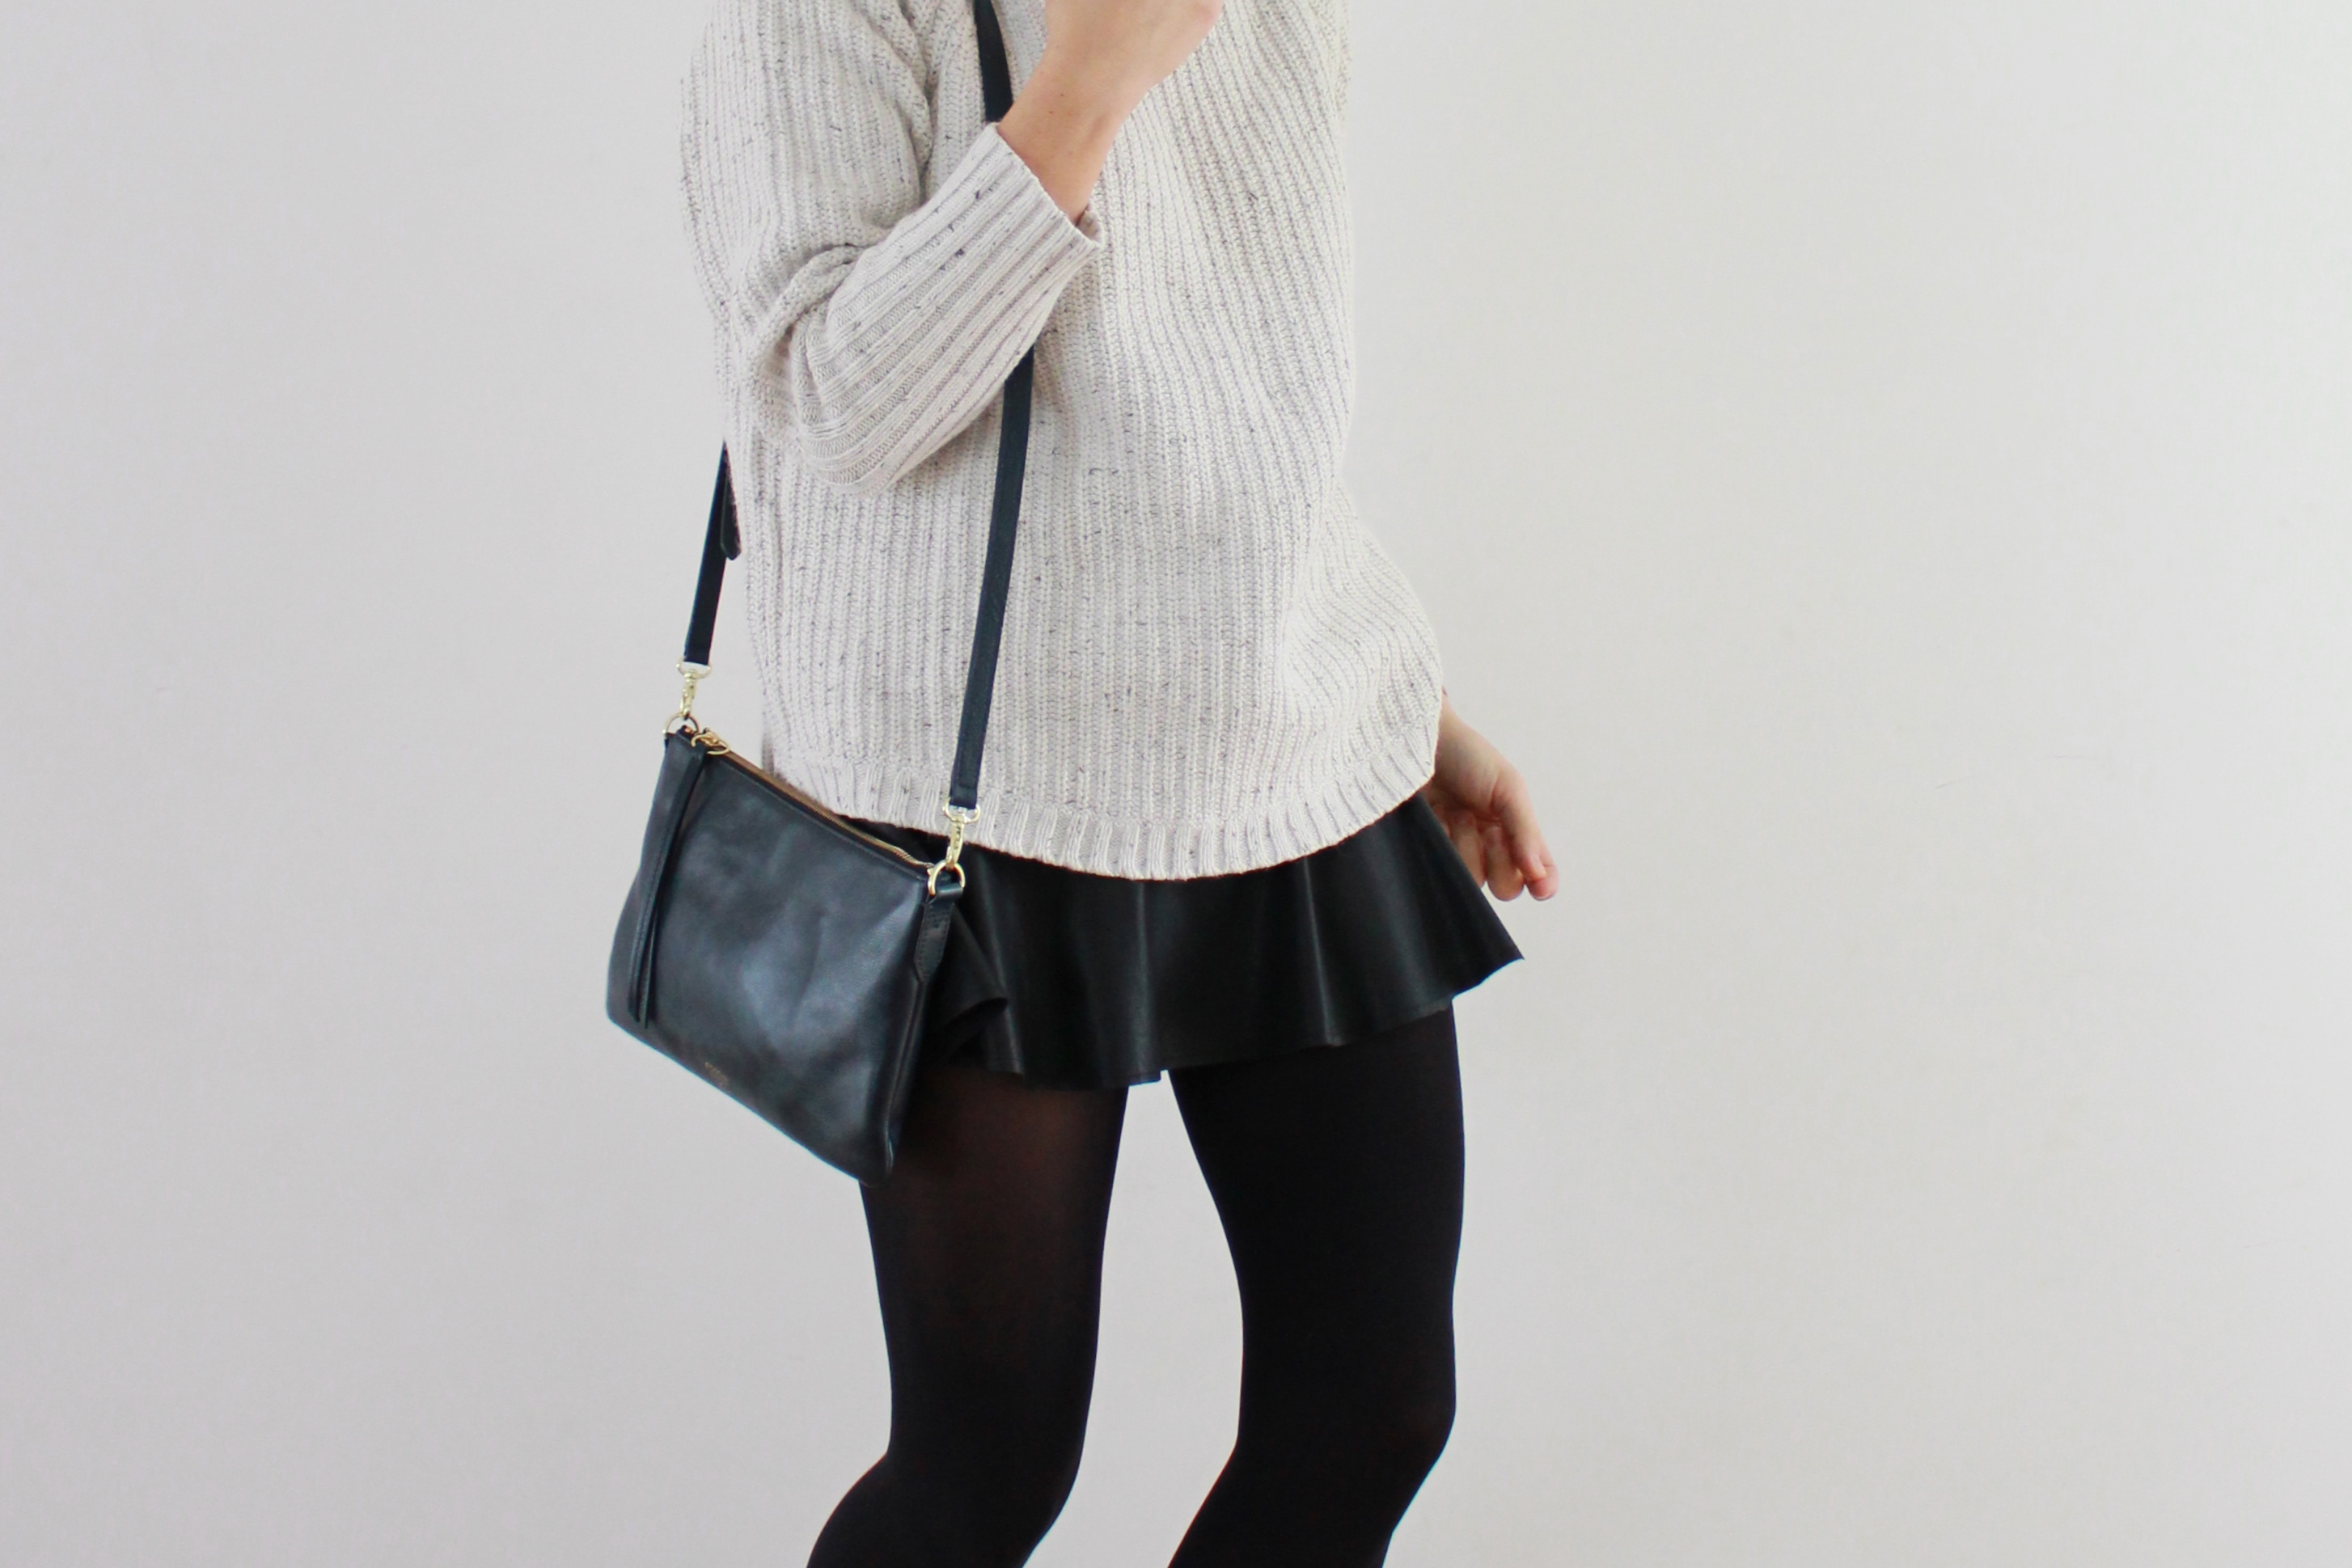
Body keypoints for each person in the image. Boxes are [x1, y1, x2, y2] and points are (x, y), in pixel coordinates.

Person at [679, 0, 1558, 1560]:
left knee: (1371, 1408)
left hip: (1289, 757)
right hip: (977, 803)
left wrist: (1403, 706)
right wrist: (1084, 88)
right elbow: (831, 409)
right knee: (989, 1465)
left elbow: (1241, 396)